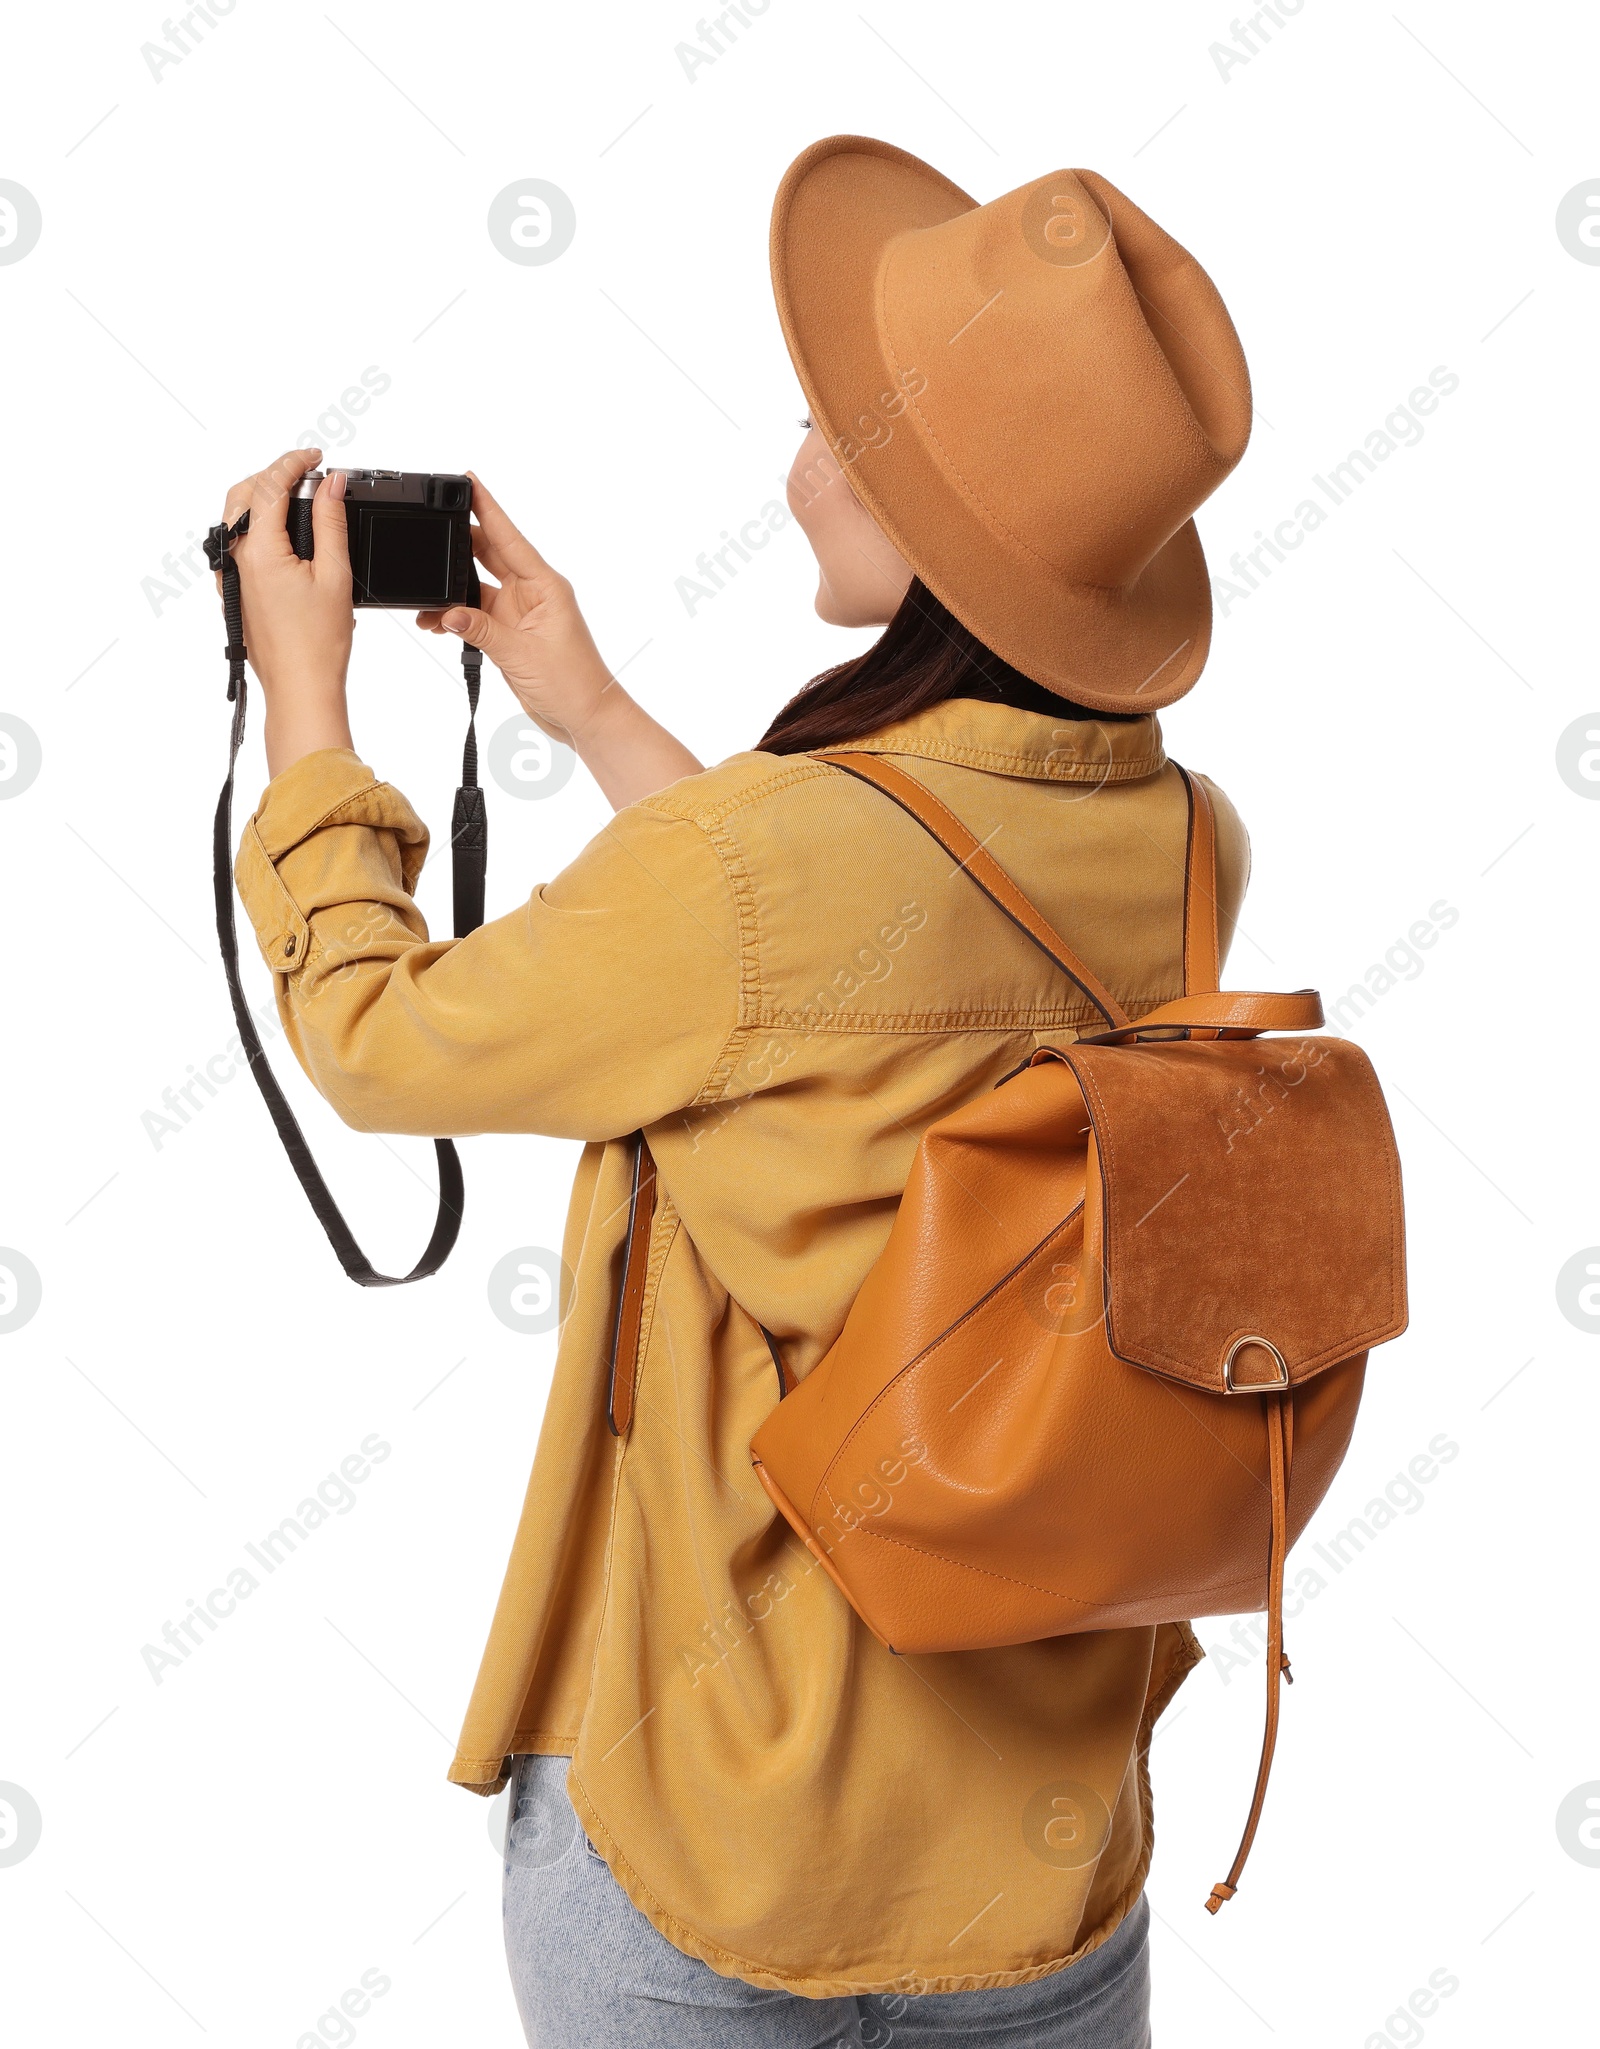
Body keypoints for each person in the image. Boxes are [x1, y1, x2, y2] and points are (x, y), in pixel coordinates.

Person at [221, 137, 1253, 2046]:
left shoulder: (761, 873)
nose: (800, 446)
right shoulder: (1188, 844)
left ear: (919, 511)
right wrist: (601, 714)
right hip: (1045, 1863)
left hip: (717, 1856)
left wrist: (306, 712)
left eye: (836, 425)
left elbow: (376, 1044)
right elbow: (865, 988)